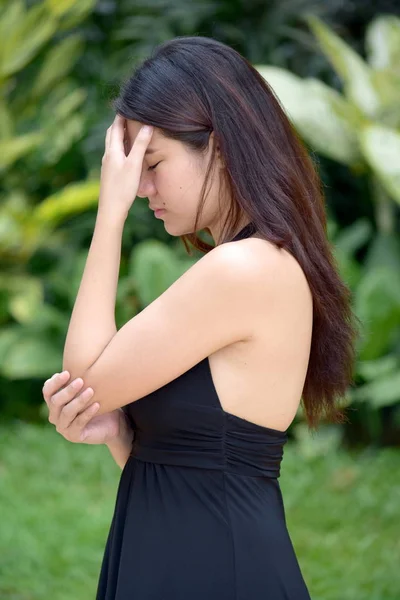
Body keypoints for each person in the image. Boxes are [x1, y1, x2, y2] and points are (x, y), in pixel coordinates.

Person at [42, 36, 359, 599]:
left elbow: (84, 380)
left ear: (218, 146)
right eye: (131, 171)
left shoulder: (244, 270)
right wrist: (119, 432)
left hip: (215, 570)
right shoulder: (247, 264)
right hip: (188, 557)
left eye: (152, 162)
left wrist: (108, 215)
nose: (140, 188)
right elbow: (194, 467)